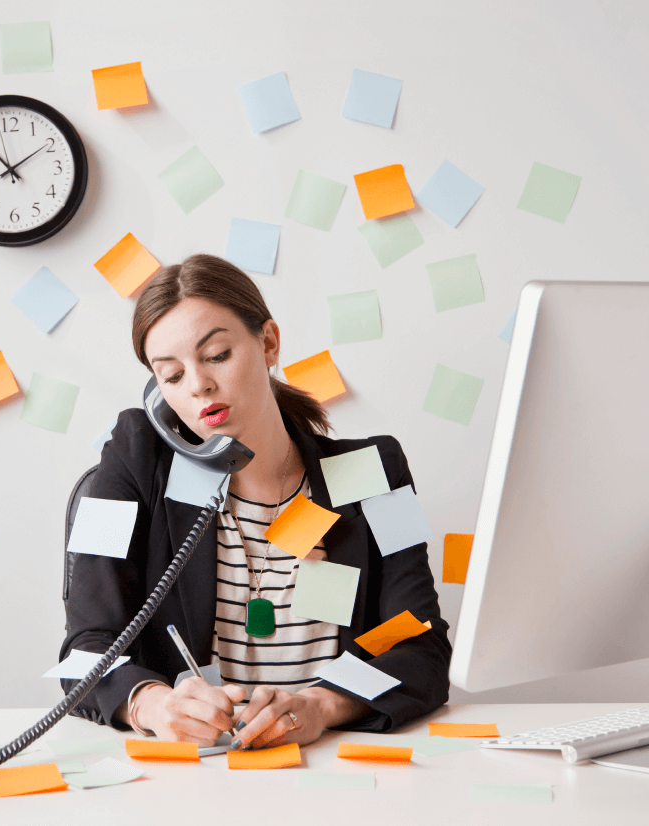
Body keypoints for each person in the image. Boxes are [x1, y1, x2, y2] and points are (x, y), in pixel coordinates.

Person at [60, 254, 450, 750]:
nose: (198, 384)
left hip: (328, 764)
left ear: (268, 343)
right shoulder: (133, 460)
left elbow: (422, 646)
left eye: (217, 355)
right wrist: (155, 705)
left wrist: (323, 706)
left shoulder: (373, 470)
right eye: (171, 375)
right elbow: (84, 649)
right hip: (191, 775)